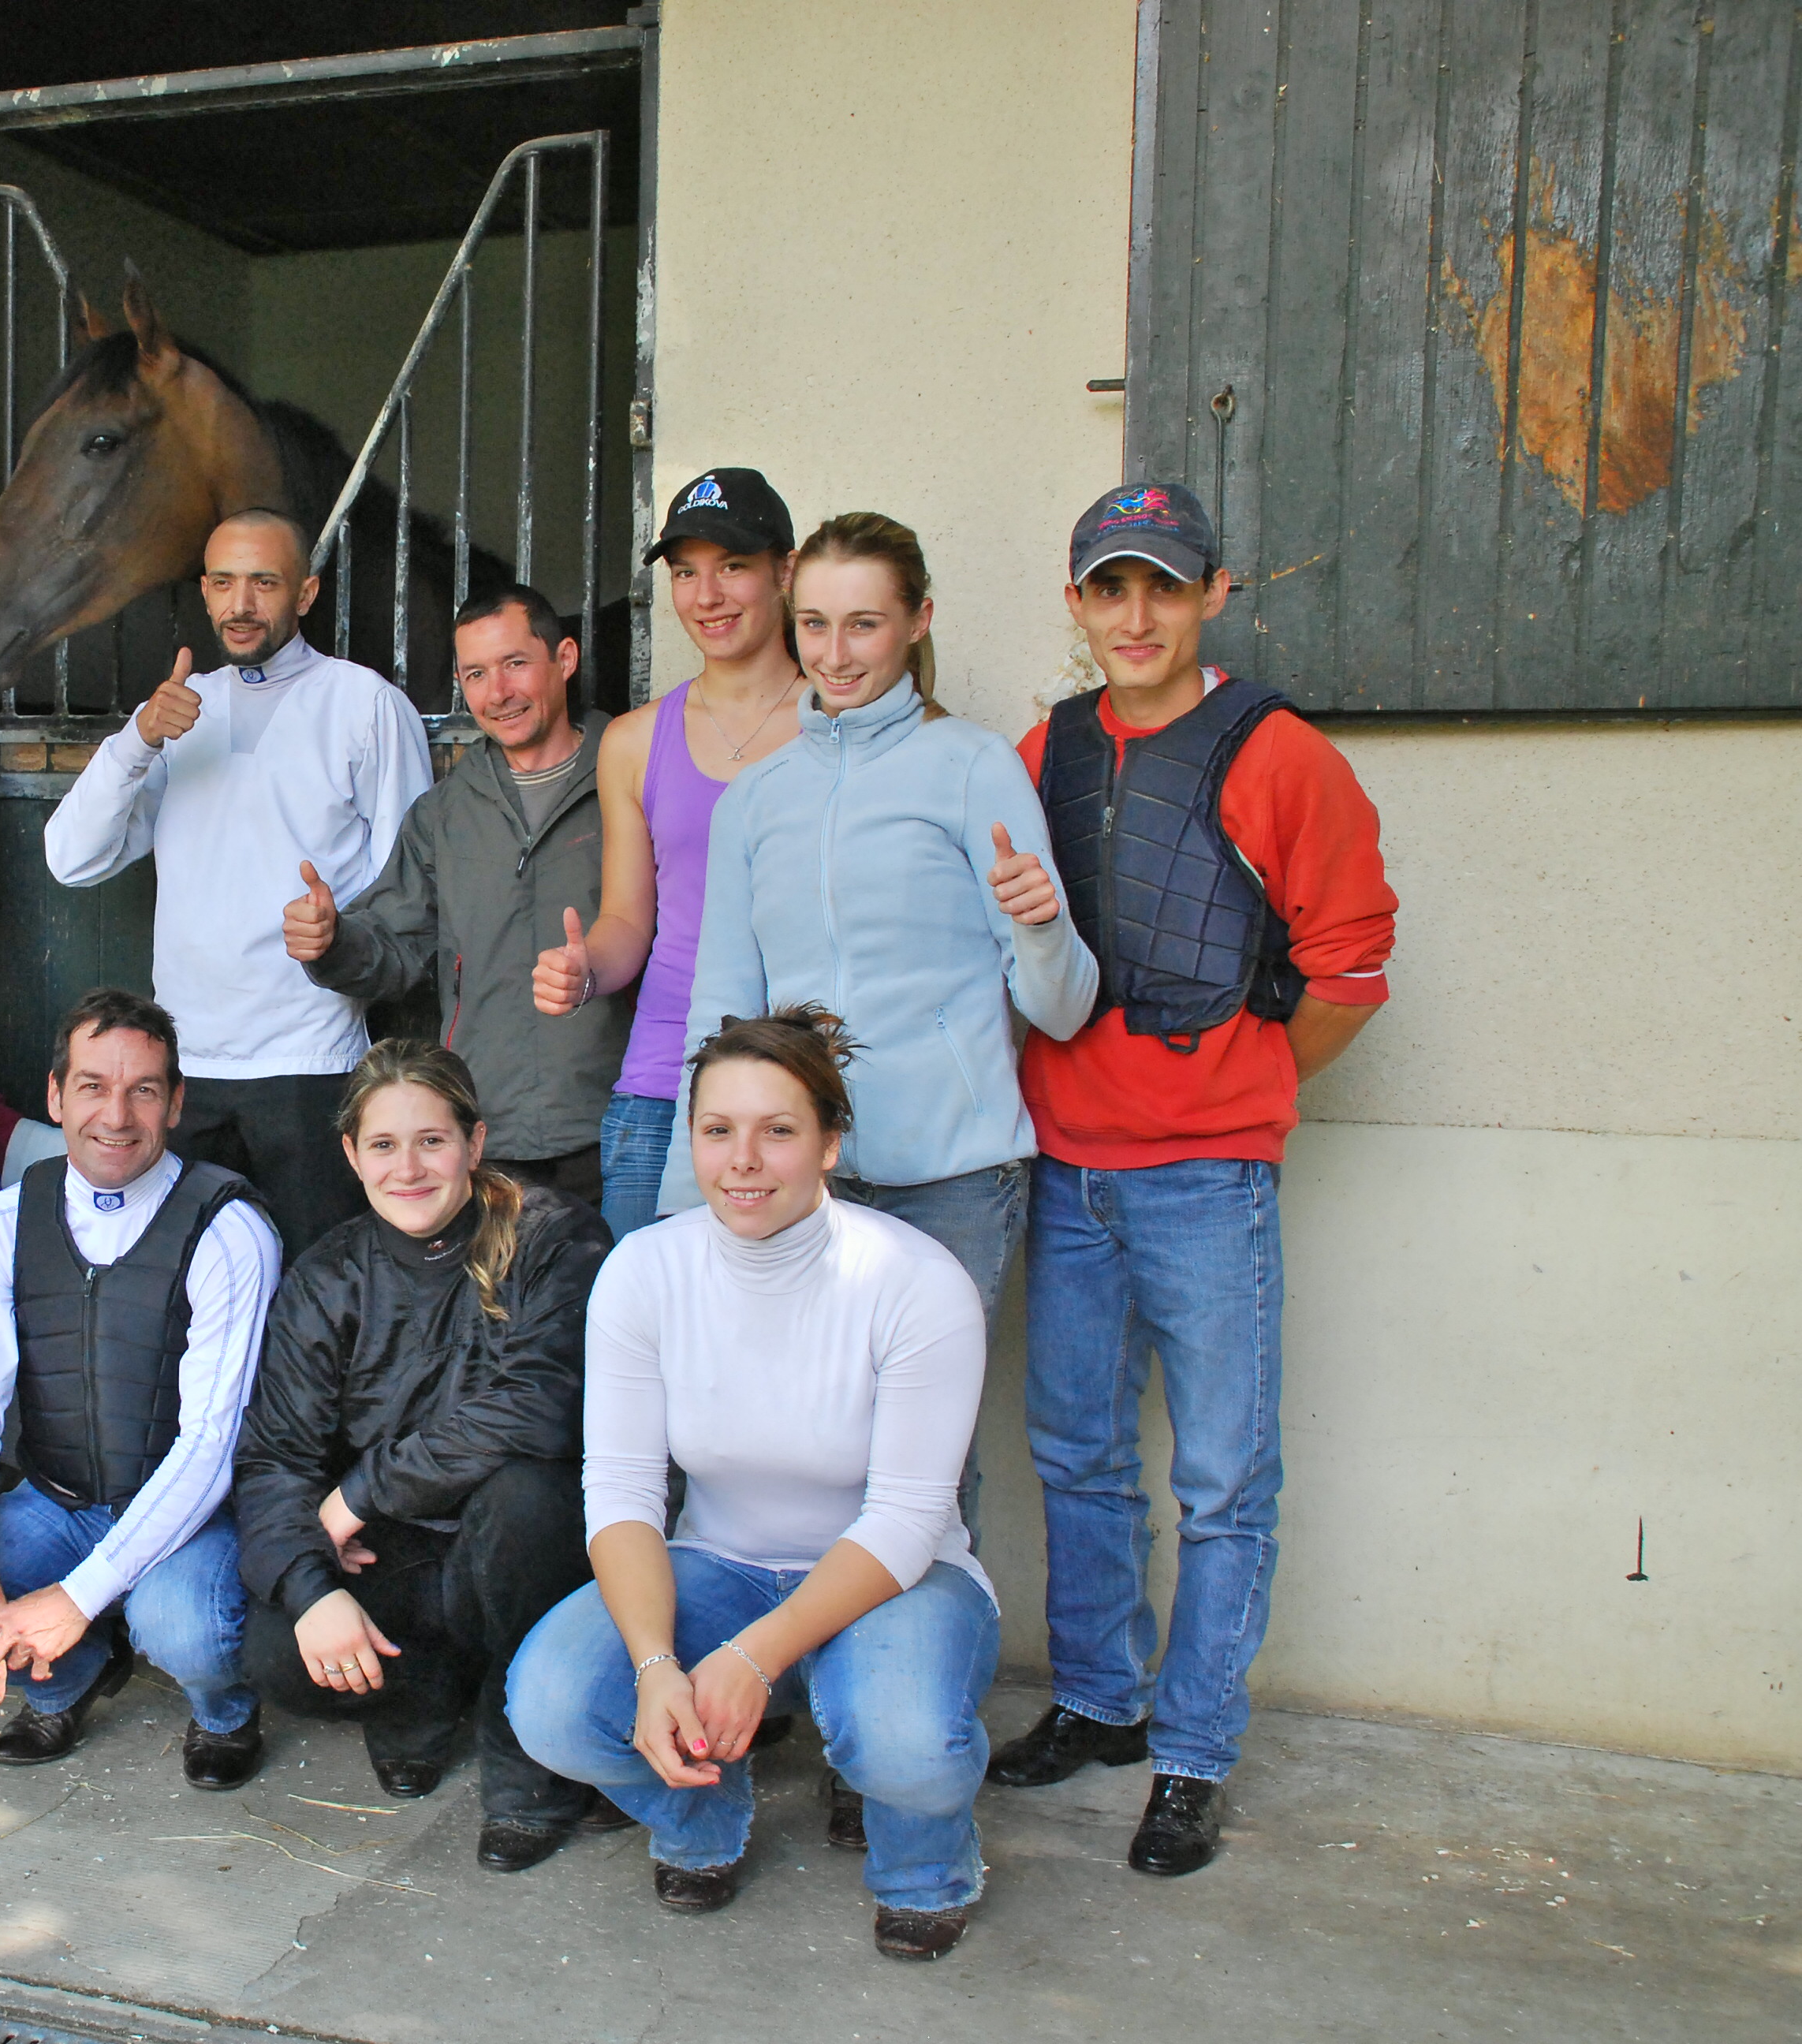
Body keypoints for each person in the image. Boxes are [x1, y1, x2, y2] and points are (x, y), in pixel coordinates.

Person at [991, 482, 1397, 1877]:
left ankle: (1191, 1752)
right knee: (1080, 1457)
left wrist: (1250, 1084)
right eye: (1110, 588)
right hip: (1068, 1168)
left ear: (1211, 593)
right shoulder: (1041, 750)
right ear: (1077, 602)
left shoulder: (1278, 755)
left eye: (1162, 586)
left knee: (1223, 1477)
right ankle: (1099, 1700)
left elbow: (1348, 966)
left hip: (1205, 1179)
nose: (1136, 615)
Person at [507, 1009, 998, 1961]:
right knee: (555, 1705)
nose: (743, 1159)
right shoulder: (645, 1270)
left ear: (829, 1143)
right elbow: (618, 1491)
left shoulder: (912, 1280)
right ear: (688, 1135)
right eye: (716, 1130)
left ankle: (923, 1867)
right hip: (718, 1563)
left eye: (777, 1131)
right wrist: (657, 1665)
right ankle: (700, 1820)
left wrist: (752, 1657)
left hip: (892, 1576)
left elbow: (907, 1517)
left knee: (900, 1742)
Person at [663, 511, 1096, 1297]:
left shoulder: (973, 765)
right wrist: (689, 1193)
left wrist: (1041, 927)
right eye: (813, 625)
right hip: (795, 1182)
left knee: (926, 1425)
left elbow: (1061, 1012)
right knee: (797, 1421)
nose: (833, 654)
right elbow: (719, 1009)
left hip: (952, 1180)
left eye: (862, 625)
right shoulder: (752, 800)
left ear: (915, 621)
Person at [0, 988, 282, 1788]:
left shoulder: (229, 1227)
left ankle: (222, 1711)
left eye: (143, 1090)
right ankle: (69, 1679)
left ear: (174, 1104)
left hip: (189, 1510)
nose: (117, 1114)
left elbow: (212, 1442)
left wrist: (75, 1596)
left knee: (183, 1630)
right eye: (93, 1085)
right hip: (56, 1499)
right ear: (56, 1096)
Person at [233, 1041, 613, 1871]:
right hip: (400, 1553)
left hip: (523, 1546)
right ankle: (424, 1689)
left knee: (524, 1499)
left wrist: (360, 1491)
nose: (407, 1167)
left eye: (431, 1141)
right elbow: (272, 1459)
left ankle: (530, 1752)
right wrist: (310, 1591)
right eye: (382, 1144)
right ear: (350, 1155)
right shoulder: (328, 1274)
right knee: (274, 1647)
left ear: (473, 1144)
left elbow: (541, 1406)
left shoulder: (552, 1235)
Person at [44, 509, 431, 1255]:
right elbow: (71, 857)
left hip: (310, 1064)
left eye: (264, 581)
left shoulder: (364, 704)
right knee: (192, 1294)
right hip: (184, 1067)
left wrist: (341, 938)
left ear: (307, 593)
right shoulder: (182, 708)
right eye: (223, 582)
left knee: (318, 1289)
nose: (241, 604)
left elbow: (412, 891)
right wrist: (138, 738)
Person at [282, 587, 626, 1203]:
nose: (498, 692)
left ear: (565, 658)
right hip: (488, 1129)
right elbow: (395, 945)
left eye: (517, 663)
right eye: (476, 673)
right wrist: (332, 943)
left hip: (620, 1124)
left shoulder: (630, 781)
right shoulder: (445, 814)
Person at [531, 470, 803, 1236]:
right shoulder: (634, 739)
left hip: (803, 1082)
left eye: (733, 566)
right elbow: (627, 922)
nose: (706, 595)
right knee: (648, 1340)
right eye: (685, 572)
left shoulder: (838, 725)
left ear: (785, 571)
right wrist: (586, 969)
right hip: (665, 1081)